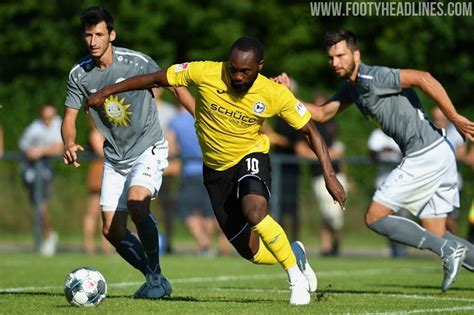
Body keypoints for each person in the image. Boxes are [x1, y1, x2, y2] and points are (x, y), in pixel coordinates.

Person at [86, 35, 346, 305]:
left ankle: (295, 279)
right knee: (251, 251)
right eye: (233, 69)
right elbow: (155, 78)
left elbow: (310, 131)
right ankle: (294, 255)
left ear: (260, 66)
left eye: (245, 71)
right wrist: (105, 92)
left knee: (255, 211)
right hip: (215, 172)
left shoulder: (274, 93)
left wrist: (329, 176)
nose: (237, 76)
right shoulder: (206, 71)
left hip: (250, 156)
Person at [275, 30, 474, 292]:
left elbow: (423, 78)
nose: (335, 62)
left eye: (341, 55)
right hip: (439, 152)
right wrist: (286, 96)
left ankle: (448, 250)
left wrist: (455, 116)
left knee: (374, 217)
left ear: (356, 55)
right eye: (331, 58)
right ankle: (448, 248)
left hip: (426, 153)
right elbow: (322, 113)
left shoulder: (373, 76)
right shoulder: (352, 89)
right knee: (436, 234)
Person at [61, 6, 194, 299]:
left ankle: (156, 275)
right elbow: (69, 118)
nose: (93, 41)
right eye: (88, 35)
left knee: (137, 203)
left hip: (149, 147)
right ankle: (153, 278)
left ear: (112, 35)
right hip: (115, 157)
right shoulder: (79, 74)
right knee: (111, 231)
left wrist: (200, 118)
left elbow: (172, 84)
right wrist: (69, 143)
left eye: (99, 34)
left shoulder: (136, 62)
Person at [166, 105, 229, 256]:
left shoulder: (175, 122)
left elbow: (171, 148)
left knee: (186, 210)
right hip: (212, 168)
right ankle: (218, 244)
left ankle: (204, 243)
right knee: (209, 211)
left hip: (190, 171)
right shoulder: (206, 116)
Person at [295, 93, 349, 257]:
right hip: (319, 175)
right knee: (329, 212)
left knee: (335, 213)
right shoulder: (306, 124)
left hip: (337, 174)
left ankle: (332, 244)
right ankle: (328, 245)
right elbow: (301, 149)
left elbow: (340, 152)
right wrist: (324, 155)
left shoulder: (332, 125)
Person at [18, 104, 62, 256]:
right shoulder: (34, 128)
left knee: (41, 203)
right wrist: (31, 152)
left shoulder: (58, 124)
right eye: (46, 118)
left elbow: (59, 148)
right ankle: (47, 235)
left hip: (45, 171)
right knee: (38, 203)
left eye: (51, 117)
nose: (49, 120)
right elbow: (23, 145)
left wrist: (40, 151)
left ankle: (49, 235)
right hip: (33, 171)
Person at [367, 128, 410, 258]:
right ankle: (394, 247)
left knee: (403, 217)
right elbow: (370, 154)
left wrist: (395, 152)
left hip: (402, 183)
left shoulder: (403, 133)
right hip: (383, 183)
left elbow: (411, 154)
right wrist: (383, 150)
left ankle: (402, 247)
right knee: (385, 218)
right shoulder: (377, 134)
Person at [431, 107, 469, 234]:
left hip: (452, 182)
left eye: (441, 119)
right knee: (434, 217)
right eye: (436, 119)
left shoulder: (456, 133)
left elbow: (462, 155)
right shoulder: (429, 132)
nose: (439, 122)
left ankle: (453, 245)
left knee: (450, 218)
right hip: (432, 181)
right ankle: (439, 249)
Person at [83, 119, 114, 255]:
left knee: (105, 210)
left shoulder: (105, 133)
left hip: (107, 171)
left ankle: (106, 244)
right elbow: (102, 153)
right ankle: (88, 244)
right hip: (98, 172)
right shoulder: (96, 133)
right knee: (93, 210)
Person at [154, 87, 178, 254]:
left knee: (167, 206)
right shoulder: (137, 107)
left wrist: (174, 160)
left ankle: (168, 242)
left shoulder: (170, 112)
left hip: (164, 165)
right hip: (142, 162)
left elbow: (174, 139)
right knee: (137, 204)